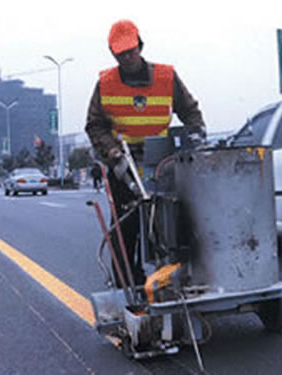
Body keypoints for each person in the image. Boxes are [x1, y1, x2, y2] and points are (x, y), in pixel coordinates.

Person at [85, 20, 206, 287]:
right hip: (124, 164)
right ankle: (128, 286)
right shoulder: (105, 83)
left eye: (130, 51)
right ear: (113, 54)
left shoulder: (166, 77)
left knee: (173, 223)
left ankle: (178, 277)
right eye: (120, 54)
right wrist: (113, 154)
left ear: (140, 46)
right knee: (126, 229)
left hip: (162, 162)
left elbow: (190, 111)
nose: (126, 57)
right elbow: (95, 125)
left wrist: (196, 136)